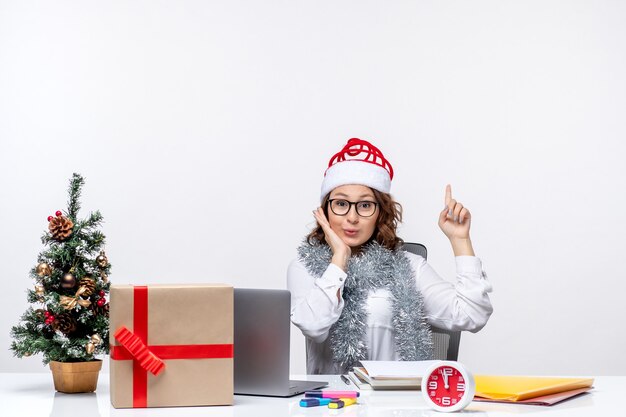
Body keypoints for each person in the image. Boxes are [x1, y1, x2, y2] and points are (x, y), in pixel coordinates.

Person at [287, 138, 493, 374]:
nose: (352, 217)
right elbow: (314, 326)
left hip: (398, 404)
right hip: (334, 405)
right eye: (341, 204)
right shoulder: (304, 267)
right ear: (325, 210)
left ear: (380, 213)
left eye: (365, 205)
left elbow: (472, 315)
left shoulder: (410, 267)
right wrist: (339, 259)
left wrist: (460, 240)